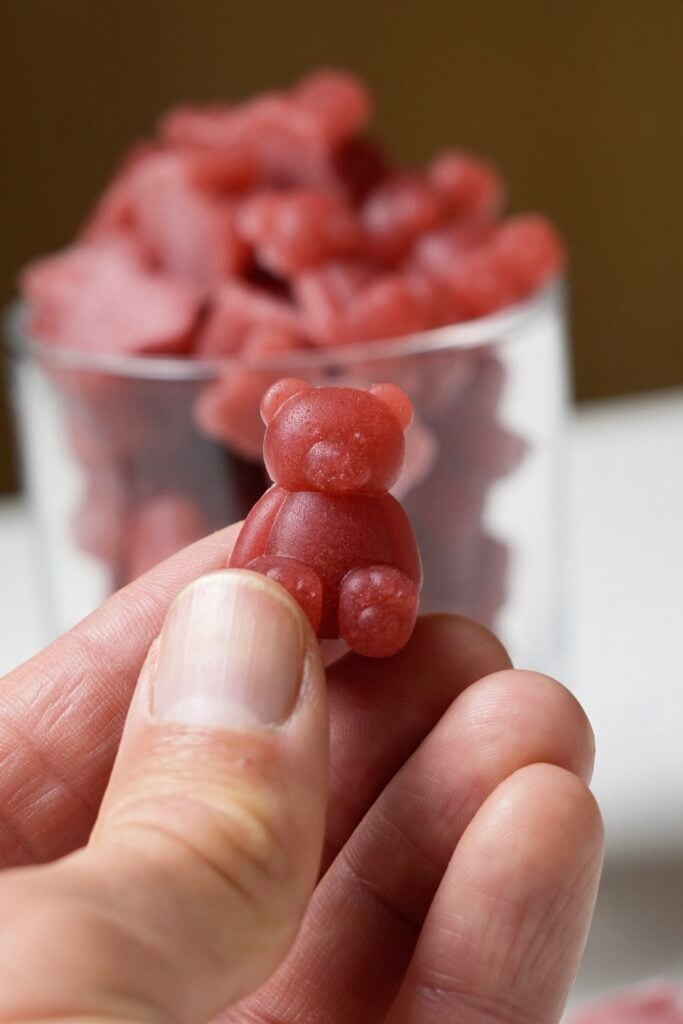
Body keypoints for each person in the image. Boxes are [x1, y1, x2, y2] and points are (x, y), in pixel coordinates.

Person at [0, 522, 603, 1023]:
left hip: (362, 589)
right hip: (295, 578)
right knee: (282, 582)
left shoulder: (378, 511)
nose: (332, 451)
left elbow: (402, 554)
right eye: (314, 437)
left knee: (381, 599)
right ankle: (298, 593)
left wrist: (392, 586)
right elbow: (254, 549)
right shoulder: (285, 506)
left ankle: (361, 605)